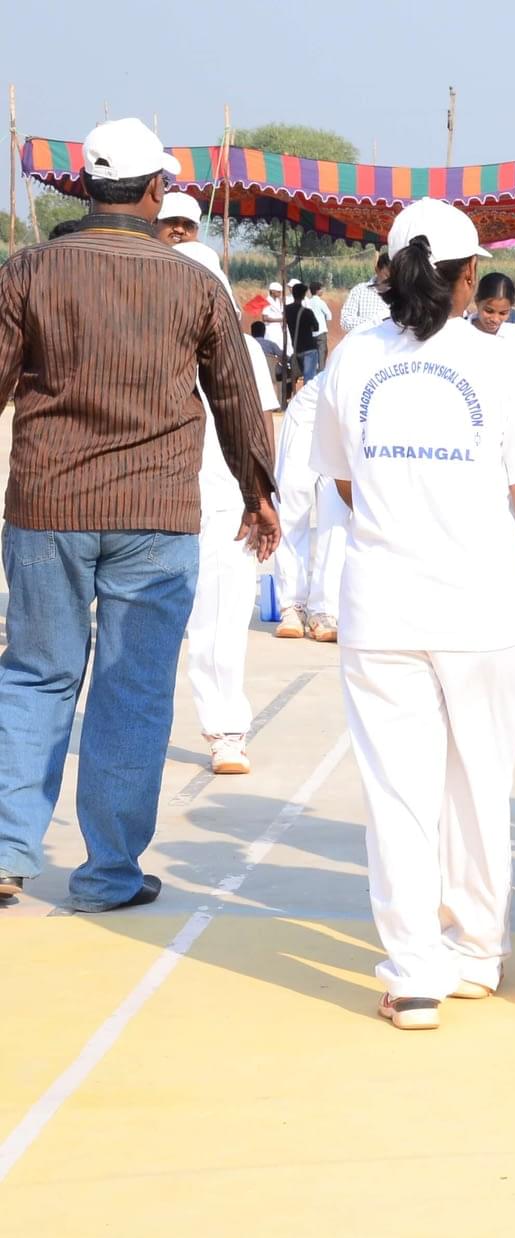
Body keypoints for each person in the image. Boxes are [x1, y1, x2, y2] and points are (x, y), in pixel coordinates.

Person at [309, 197, 515, 1031]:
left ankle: (415, 974)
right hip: (482, 609)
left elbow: (344, 480)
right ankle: (477, 954)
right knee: (482, 783)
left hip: (382, 609)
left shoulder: (351, 361)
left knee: (398, 794)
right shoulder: (500, 364)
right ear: (468, 277)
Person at [0, 118, 279, 907]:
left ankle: (7, 851)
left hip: (48, 506)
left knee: (36, 676)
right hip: (155, 512)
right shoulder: (194, 283)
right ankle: (108, 874)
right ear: (157, 190)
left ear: (86, 187)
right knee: (133, 688)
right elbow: (236, 398)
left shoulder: (29, 271)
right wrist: (258, 492)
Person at [168, 241, 285, 775]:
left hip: (227, 499)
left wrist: (260, 496)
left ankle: (225, 729)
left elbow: (263, 427)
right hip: (159, 497)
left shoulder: (246, 351)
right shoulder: (153, 345)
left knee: (223, 618)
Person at [270, 374, 350, 642]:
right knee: (292, 500)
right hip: (311, 412)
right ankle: (292, 606)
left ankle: (325, 610)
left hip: (347, 424)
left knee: (336, 513)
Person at [340, 251, 391, 334]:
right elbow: (345, 322)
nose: (391, 281)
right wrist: (374, 321)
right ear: (377, 270)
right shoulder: (360, 290)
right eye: (387, 276)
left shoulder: (400, 295)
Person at [286, 281, 324, 383]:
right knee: (309, 378)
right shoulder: (307, 312)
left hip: (296, 348)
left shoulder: (287, 310)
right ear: (303, 295)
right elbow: (316, 327)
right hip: (309, 348)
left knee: (299, 376)